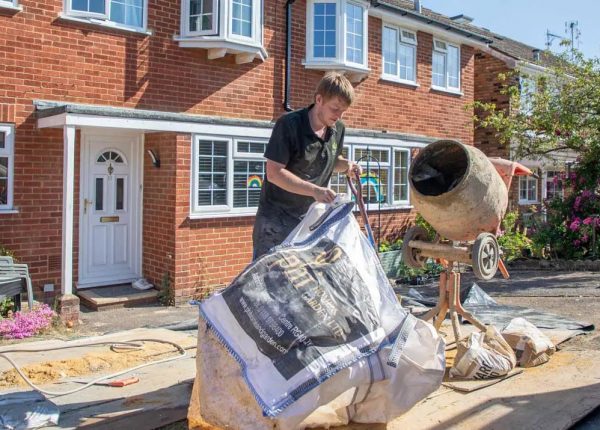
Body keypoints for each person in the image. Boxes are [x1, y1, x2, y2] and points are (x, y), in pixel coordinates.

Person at [252, 72, 361, 259]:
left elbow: (330, 160)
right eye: (335, 109)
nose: (338, 116)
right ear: (319, 99)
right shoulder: (289, 124)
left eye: (343, 111)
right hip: (276, 221)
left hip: (311, 219)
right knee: (270, 279)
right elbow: (274, 173)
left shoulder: (338, 129)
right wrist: (314, 191)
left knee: (302, 279)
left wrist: (347, 165)